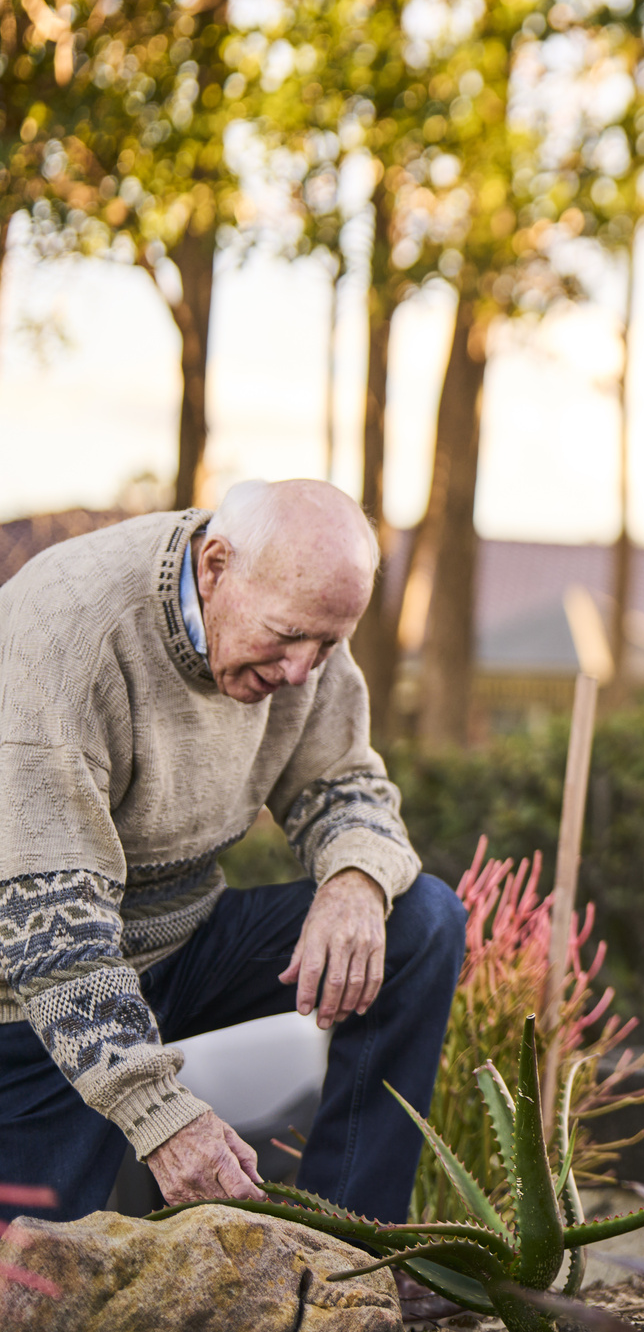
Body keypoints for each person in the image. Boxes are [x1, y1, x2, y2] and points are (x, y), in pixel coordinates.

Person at [0, 480, 466, 1226]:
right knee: (36, 1279)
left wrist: (353, 880)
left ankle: (349, 1251)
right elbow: (56, 941)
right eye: (287, 638)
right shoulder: (66, 634)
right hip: (31, 997)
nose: (298, 672)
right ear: (214, 567)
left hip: (183, 942)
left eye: (327, 645)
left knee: (419, 920)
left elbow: (343, 783)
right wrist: (162, 1118)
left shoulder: (300, 620)